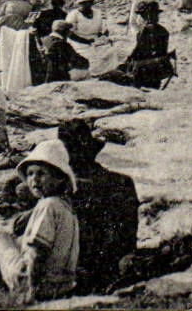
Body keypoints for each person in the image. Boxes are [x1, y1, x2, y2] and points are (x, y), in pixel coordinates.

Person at [48, 118, 138, 294]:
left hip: (75, 269)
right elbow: (128, 237)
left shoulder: (62, 188)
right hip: (115, 265)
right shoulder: (123, 182)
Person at [0, 140, 81, 301]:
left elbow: (38, 252)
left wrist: (31, 291)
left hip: (37, 284)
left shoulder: (48, 206)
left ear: (59, 178)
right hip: (63, 284)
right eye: (30, 174)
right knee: (17, 240)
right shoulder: (66, 206)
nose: (34, 180)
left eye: (41, 173)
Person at [96, 1, 174, 89]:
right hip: (147, 68)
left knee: (112, 76)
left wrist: (134, 63)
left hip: (149, 70)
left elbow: (158, 54)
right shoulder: (146, 31)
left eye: (152, 15)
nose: (149, 19)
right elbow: (138, 50)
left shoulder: (160, 32)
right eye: (145, 16)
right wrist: (128, 61)